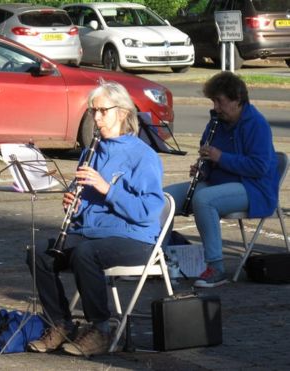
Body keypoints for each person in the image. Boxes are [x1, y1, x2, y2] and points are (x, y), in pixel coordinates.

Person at [26, 81, 165, 356]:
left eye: (102, 111)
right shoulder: (92, 151)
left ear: (123, 112)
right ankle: (60, 323)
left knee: (85, 253)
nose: (96, 118)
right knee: (38, 252)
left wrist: (107, 189)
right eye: (93, 112)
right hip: (94, 232)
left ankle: (102, 327)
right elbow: (85, 204)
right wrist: (73, 204)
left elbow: (148, 209)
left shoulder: (143, 156)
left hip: (135, 237)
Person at [164, 71, 278, 288]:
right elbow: (212, 158)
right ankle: (158, 259)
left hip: (254, 188)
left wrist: (220, 157)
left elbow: (259, 167)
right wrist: (204, 168)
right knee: (165, 198)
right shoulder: (217, 122)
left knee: (204, 200)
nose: (215, 107)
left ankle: (216, 267)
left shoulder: (256, 124)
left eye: (220, 101)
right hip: (221, 183)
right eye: (213, 101)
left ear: (237, 100)